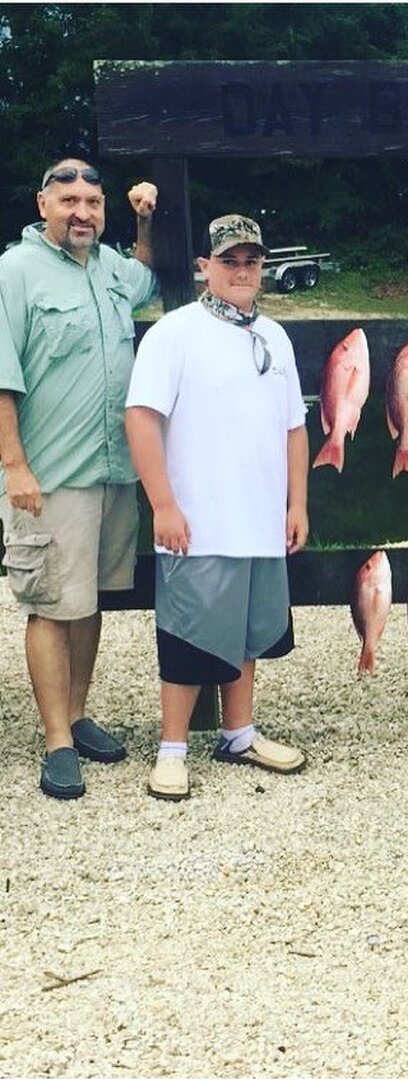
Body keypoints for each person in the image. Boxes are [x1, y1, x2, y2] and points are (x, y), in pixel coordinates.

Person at [125, 214, 309, 801]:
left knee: (250, 634)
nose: (242, 270)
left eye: (251, 261)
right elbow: (141, 418)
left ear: (263, 267)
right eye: (229, 260)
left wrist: (297, 504)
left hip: (260, 521)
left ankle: (239, 734)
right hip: (197, 523)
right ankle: (171, 750)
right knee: (187, 636)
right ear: (206, 266)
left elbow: (295, 427)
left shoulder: (275, 337)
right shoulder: (174, 333)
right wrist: (163, 504)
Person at [0, 157, 159, 800]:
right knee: (49, 606)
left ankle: (77, 712)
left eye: (93, 203)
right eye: (69, 201)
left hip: (112, 472)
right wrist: (15, 467)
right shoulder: (15, 271)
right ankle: (56, 742)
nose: (82, 213)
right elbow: (2, 377)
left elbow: (148, 278)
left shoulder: (111, 267)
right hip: (49, 478)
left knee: (88, 600)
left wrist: (143, 223)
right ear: (43, 206)